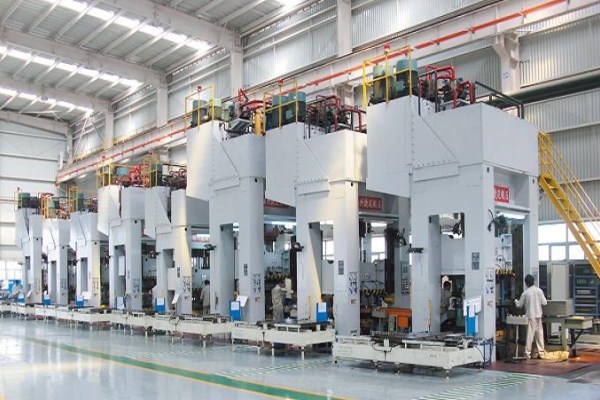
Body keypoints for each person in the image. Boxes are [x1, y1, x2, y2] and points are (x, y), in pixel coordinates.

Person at [515, 274, 548, 359]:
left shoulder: (525, 293)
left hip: (531, 316)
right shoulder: (539, 291)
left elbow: (519, 305)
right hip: (539, 316)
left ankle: (527, 354)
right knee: (540, 335)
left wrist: (515, 301)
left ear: (526, 283)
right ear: (533, 281)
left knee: (530, 336)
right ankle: (541, 353)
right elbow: (544, 302)